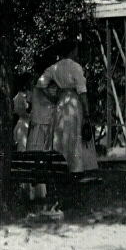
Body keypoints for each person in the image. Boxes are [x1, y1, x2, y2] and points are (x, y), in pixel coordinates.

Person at [30, 38, 98, 175]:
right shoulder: (76, 67)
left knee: (60, 134)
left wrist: (52, 98)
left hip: (61, 103)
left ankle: (60, 166)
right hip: (73, 102)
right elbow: (82, 91)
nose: (77, 53)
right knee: (74, 134)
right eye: (76, 51)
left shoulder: (55, 67)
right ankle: (76, 168)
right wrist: (86, 111)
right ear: (72, 51)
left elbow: (40, 83)